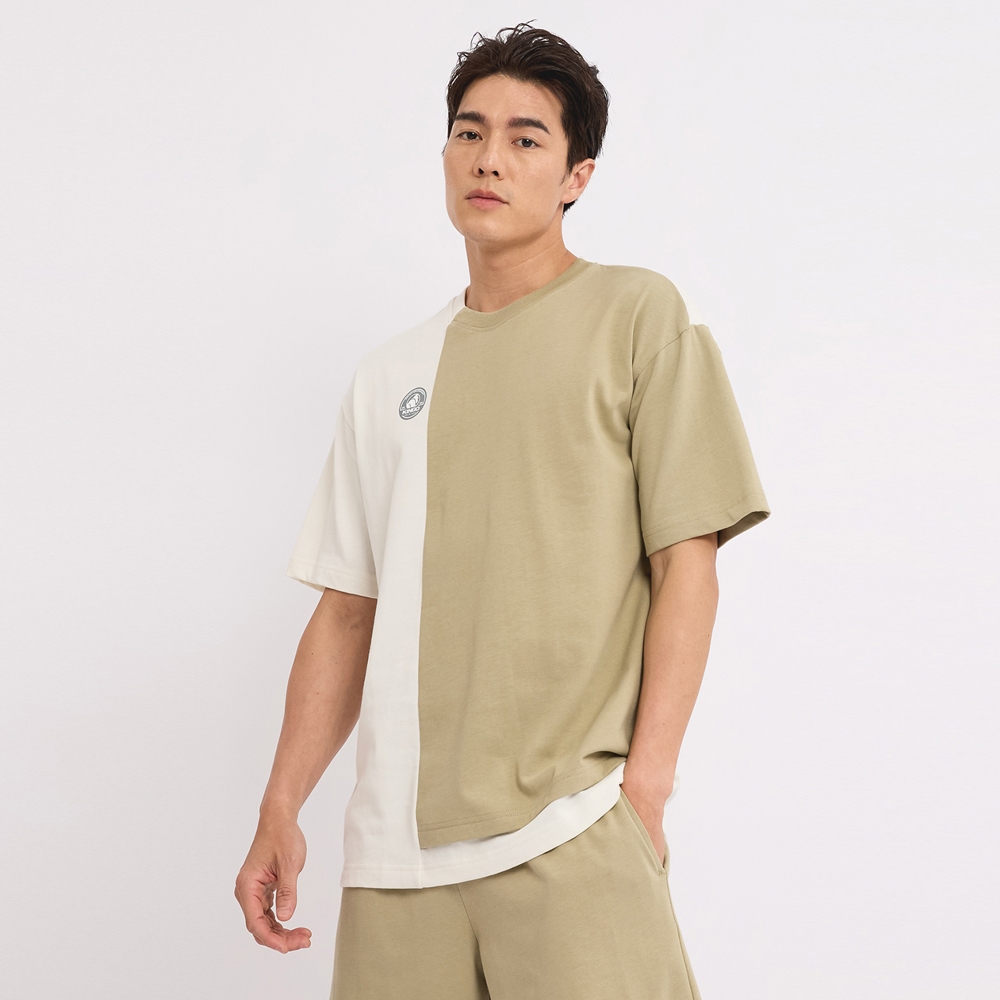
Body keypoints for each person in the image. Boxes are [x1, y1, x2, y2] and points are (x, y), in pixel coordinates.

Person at [235, 22, 769, 999]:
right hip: (393, 860)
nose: (489, 158)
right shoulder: (388, 374)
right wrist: (281, 804)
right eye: (469, 132)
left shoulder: (636, 315)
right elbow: (347, 610)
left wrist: (645, 787)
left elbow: (686, 564)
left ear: (577, 176)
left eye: (526, 138)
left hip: (569, 826)